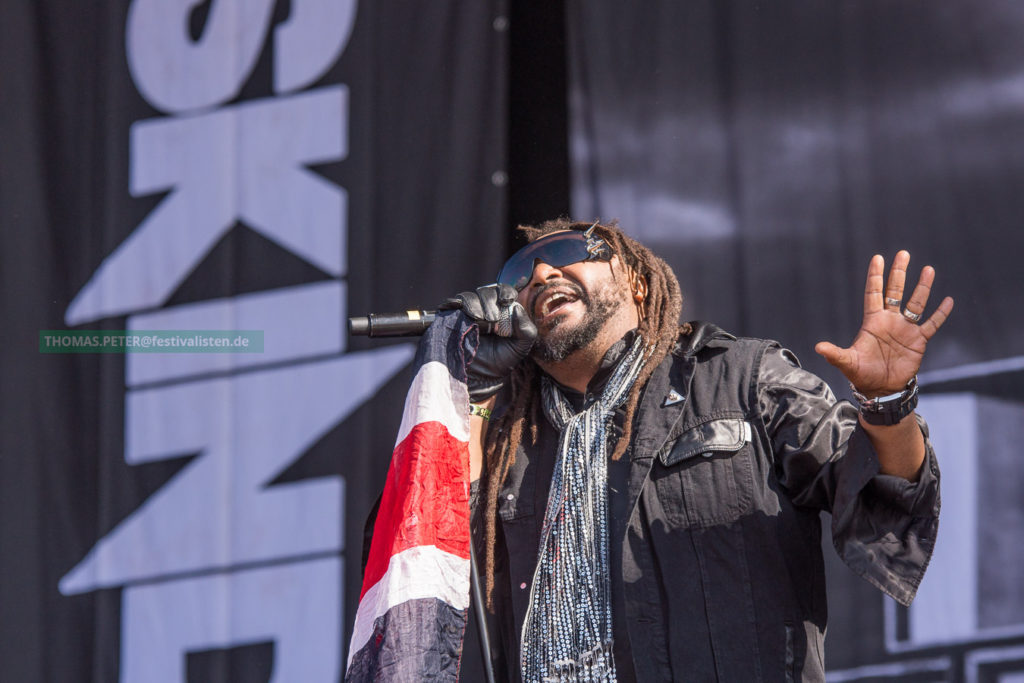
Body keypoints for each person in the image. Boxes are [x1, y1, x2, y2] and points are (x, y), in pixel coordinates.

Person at [448, 218, 953, 682]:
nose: (540, 274)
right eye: (519, 275)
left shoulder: (742, 378)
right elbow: (442, 547)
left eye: (565, 252)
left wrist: (888, 403)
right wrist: (474, 390)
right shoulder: (506, 439)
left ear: (636, 283)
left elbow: (882, 489)